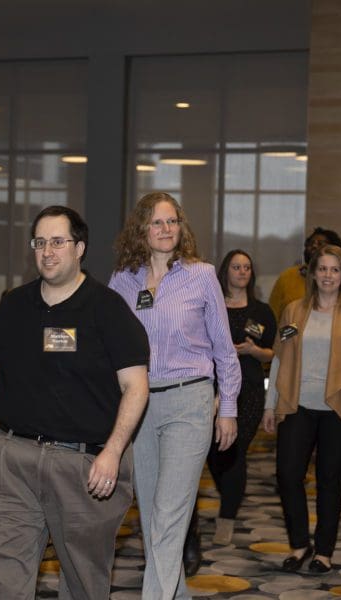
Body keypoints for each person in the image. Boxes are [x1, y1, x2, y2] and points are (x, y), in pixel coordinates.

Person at [0, 205, 150, 599]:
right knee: (2, 573)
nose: (47, 251)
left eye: (57, 242)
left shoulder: (107, 308)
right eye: (39, 243)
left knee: (83, 580)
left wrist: (113, 452)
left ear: (79, 247)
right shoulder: (15, 305)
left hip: (82, 465)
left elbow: (136, 386)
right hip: (11, 459)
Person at [109, 192, 240, 599]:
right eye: (156, 223)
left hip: (190, 401)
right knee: (152, 518)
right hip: (140, 406)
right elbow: (109, 349)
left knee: (169, 514)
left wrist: (229, 408)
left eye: (172, 222)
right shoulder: (122, 282)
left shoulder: (201, 276)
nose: (165, 230)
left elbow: (224, 348)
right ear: (141, 231)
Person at [262, 245, 341, 574]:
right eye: (322, 269)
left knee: (329, 479)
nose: (328, 275)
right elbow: (280, 358)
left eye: (334, 270)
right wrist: (271, 402)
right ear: (312, 273)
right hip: (297, 403)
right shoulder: (293, 311)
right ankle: (300, 545)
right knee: (287, 474)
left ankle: (324, 551)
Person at [207, 250, 275, 546]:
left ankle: (227, 516)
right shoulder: (210, 305)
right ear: (225, 271)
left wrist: (253, 351)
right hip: (211, 388)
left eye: (247, 267)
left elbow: (274, 351)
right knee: (213, 452)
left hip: (248, 389)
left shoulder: (261, 311)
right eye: (236, 267)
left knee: (234, 450)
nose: (242, 272)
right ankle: (230, 496)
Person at [267, 227, 341, 323]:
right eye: (310, 243)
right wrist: (287, 341)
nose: (314, 246)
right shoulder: (294, 306)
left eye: (320, 243)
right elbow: (277, 324)